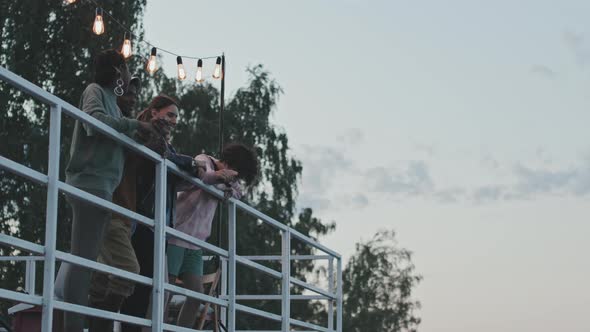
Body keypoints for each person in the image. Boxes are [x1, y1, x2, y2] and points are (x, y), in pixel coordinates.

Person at [59, 49, 155, 332]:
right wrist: (134, 125)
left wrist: (145, 135)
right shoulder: (95, 91)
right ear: (117, 71)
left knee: (89, 263)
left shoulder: (113, 101)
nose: (128, 76)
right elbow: (94, 122)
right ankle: (73, 325)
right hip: (89, 184)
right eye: (126, 70)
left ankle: (83, 322)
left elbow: (121, 136)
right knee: (82, 261)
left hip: (102, 188)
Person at [119, 95, 199, 332]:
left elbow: (173, 166)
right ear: (154, 112)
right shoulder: (149, 135)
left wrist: (191, 167)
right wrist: (192, 163)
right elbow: (167, 158)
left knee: (146, 287)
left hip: (157, 223)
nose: (174, 120)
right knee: (140, 287)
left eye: (176, 116)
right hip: (144, 219)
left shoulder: (161, 138)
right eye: (170, 114)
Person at [166, 143, 258, 328]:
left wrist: (229, 188)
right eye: (236, 173)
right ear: (231, 165)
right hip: (177, 235)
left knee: (196, 294)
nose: (236, 178)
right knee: (166, 290)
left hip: (195, 243)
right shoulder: (203, 160)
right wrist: (220, 181)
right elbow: (206, 177)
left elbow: (238, 193)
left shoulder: (229, 180)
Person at [85, 76, 146, 332]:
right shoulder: (114, 126)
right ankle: (100, 325)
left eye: (134, 95)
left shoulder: (129, 129)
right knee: (128, 270)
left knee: (100, 278)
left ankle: (97, 324)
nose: (131, 99)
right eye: (127, 93)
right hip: (110, 207)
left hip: (122, 211)